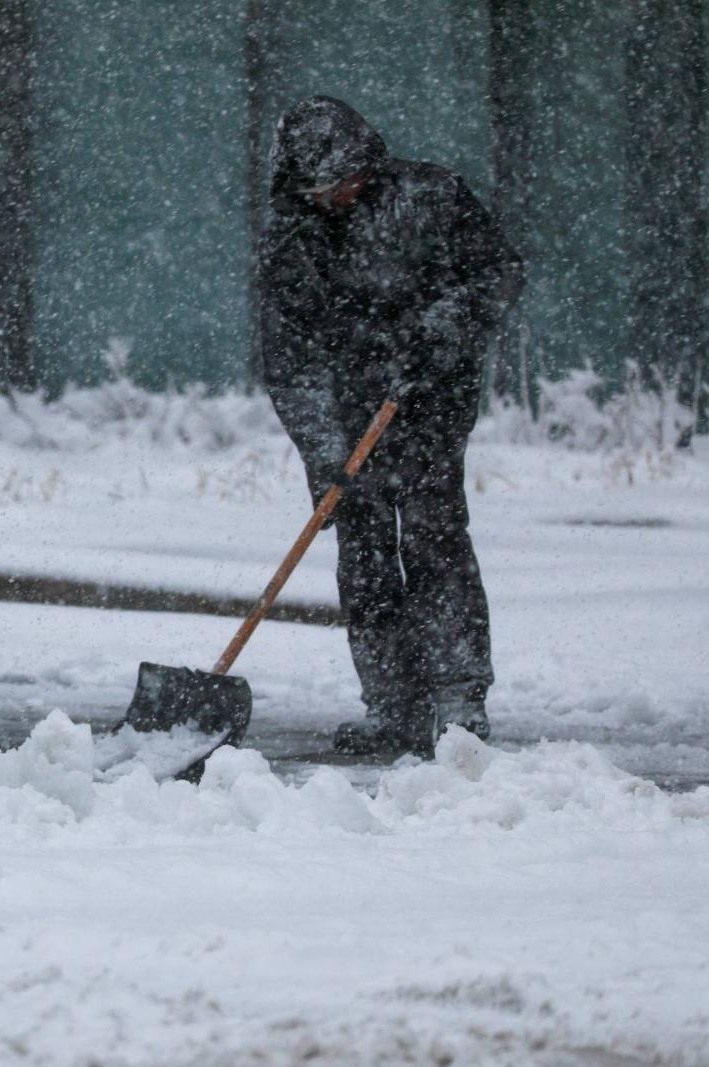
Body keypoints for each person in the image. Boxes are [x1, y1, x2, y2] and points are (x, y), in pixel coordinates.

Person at [257, 96, 524, 756]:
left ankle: (459, 699)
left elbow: (496, 272)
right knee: (365, 560)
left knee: (435, 540)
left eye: (342, 182)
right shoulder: (293, 241)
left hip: (431, 404)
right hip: (349, 421)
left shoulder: (430, 197)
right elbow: (291, 360)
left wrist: (444, 331)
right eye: (320, 189)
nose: (335, 198)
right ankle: (391, 705)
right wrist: (327, 455)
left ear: (365, 163)